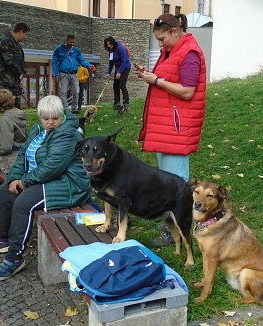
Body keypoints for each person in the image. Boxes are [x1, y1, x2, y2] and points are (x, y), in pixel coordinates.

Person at [0, 95, 92, 281]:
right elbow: (23, 156)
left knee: (24, 203)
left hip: (67, 183)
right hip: (41, 178)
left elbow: (52, 168)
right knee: (3, 191)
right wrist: (14, 177)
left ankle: (15, 258)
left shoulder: (68, 134)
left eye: (55, 118)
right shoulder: (37, 129)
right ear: (39, 117)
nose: (50, 123)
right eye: (45, 118)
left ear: (62, 115)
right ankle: (0, 240)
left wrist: (23, 182)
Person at [135, 14, 206, 247]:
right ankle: (172, 224)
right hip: (166, 127)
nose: (160, 43)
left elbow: (187, 91)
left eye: (162, 38)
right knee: (167, 181)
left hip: (176, 128)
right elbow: (168, 79)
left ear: (175, 31)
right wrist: (150, 76)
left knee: (178, 183)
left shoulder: (190, 54)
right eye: (157, 39)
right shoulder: (172, 52)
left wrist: (155, 81)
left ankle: (181, 230)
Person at [52, 34, 94, 113]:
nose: (72, 44)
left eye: (73, 42)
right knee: (63, 92)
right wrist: (55, 74)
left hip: (74, 74)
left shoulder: (76, 50)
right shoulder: (58, 49)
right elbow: (54, 62)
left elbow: (81, 60)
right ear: (66, 40)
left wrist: (88, 65)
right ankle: (65, 109)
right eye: (70, 42)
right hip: (63, 74)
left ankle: (74, 109)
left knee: (76, 92)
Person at [0, 22, 30, 109]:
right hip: (5, 84)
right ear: (20, 31)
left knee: (15, 108)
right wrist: (19, 75)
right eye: (25, 34)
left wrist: (22, 75)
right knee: (7, 109)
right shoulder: (6, 42)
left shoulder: (17, 45)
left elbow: (21, 63)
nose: (25, 37)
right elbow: (9, 61)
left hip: (14, 83)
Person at [104, 36, 132, 112]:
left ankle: (126, 102)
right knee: (115, 85)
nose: (109, 46)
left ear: (112, 42)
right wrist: (109, 72)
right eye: (107, 45)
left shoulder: (120, 48)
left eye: (110, 44)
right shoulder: (111, 51)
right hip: (117, 68)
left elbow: (124, 60)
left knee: (122, 84)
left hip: (125, 67)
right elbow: (111, 62)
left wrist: (119, 72)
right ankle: (117, 103)